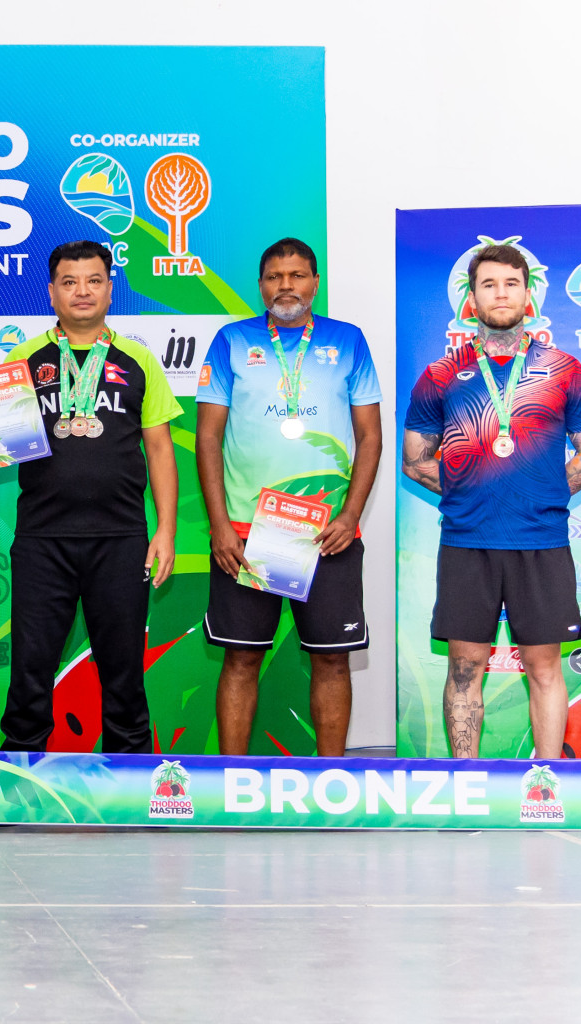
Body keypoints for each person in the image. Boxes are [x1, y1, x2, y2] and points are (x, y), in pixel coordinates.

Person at [0, 240, 180, 753]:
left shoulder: (138, 358)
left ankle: (128, 779)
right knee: (30, 670)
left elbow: (159, 448)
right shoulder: (24, 357)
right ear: (52, 292)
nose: (82, 291)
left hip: (121, 539)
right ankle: (18, 774)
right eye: (69, 282)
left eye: (93, 281)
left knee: (125, 670)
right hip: (43, 539)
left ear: (110, 288)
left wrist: (166, 531)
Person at [403, 243, 581, 758]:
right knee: (464, 668)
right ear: (471, 298)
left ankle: (547, 778)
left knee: (543, 667)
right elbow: (414, 460)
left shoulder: (565, 370)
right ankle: (466, 780)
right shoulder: (440, 376)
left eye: (511, 283)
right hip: (468, 541)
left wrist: (543, 496)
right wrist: (467, 491)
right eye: (489, 284)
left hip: (540, 539)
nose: (500, 293)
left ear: (528, 295)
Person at [195, 238, 382, 757]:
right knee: (241, 659)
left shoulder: (349, 342)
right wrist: (220, 525)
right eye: (275, 277)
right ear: (261, 285)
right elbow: (208, 437)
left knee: (331, 658)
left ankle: (330, 779)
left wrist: (350, 515)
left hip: (327, 534)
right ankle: (232, 783)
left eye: (297, 275)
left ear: (315, 282)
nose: (286, 286)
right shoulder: (231, 340)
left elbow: (371, 436)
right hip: (248, 532)